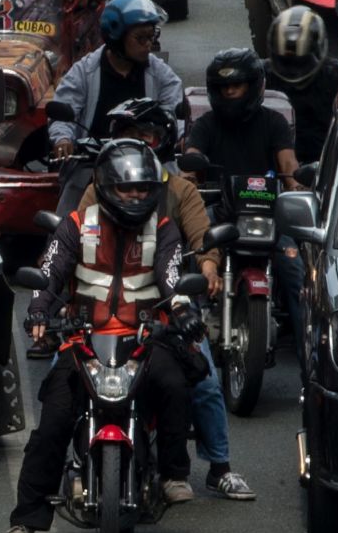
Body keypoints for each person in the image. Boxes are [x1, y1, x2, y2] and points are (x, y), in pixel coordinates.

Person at [2, 142, 199, 533]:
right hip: (83, 341)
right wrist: (39, 311)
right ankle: (24, 523)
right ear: (105, 187)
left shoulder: (164, 229)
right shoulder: (75, 223)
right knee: (54, 419)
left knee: (176, 385)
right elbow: (51, 270)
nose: (136, 197)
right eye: (127, 190)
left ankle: (173, 474)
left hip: (145, 339)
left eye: (144, 190)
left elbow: (172, 275)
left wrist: (181, 312)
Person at [85, 99, 255, 501]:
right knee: (66, 372)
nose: (136, 145)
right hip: (103, 304)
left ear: (161, 142)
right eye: (128, 136)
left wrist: (210, 266)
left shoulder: (180, 190)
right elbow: (73, 241)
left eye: (144, 136)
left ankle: (219, 467)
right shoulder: (96, 189)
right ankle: (69, 464)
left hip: (169, 304)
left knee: (206, 383)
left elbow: (202, 238)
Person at [184, 49, 306, 367]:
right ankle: (190, 343)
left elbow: (288, 164)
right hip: (220, 212)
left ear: (254, 87)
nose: (229, 93)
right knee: (191, 259)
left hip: (265, 215)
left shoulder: (274, 122)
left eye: (236, 86)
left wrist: (296, 187)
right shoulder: (207, 125)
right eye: (223, 87)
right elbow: (192, 158)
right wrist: (189, 175)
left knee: (295, 269)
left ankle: (310, 350)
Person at [48, 0, 184, 215]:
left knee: (178, 198)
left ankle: (177, 246)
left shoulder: (161, 74)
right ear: (116, 36)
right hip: (94, 163)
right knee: (70, 208)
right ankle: (62, 246)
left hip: (149, 161)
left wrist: (177, 137)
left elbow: (174, 112)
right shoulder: (85, 71)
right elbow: (64, 108)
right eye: (141, 38)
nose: (149, 45)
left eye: (152, 37)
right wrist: (63, 138)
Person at [266, 5, 338, 166]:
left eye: (300, 62)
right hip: (272, 167)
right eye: (285, 62)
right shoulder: (260, 75)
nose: (293, 70)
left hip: (326, 165)